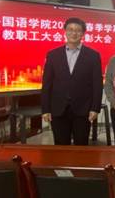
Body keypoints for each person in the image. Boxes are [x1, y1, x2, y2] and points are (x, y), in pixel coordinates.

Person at [41, 17, 103, 145]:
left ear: (83, 33)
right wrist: (45, 109)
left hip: (83, 109)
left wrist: (95, 108)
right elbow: (47, 84)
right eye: (70, 29)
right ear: (65, 31)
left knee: (81, 145)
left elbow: (97, 84)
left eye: (78, 30)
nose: (74, 33)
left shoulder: (93, 55)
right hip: (58, 109)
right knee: (61, 146)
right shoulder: (53, 55)